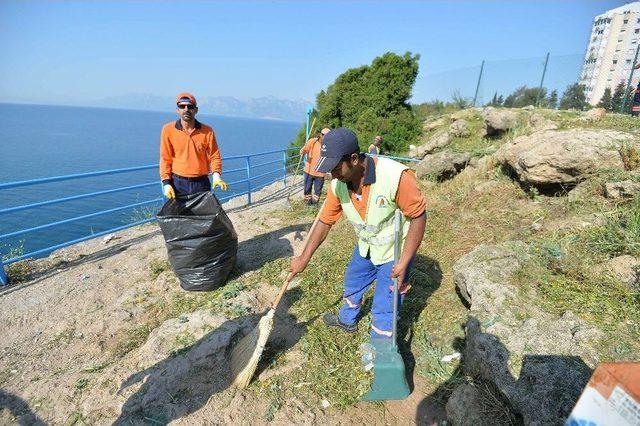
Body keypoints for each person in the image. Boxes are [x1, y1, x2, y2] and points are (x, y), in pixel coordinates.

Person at [289, 128, 426, 339]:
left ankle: (381, 349)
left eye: (335, 168)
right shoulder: (339, 184)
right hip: (367, 246)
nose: (331, 175)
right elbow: (325, 222)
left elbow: (418, 216)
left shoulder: (395, 176)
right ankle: (347, 320)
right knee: (353, 281)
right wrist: (304, 258)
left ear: (353, 159)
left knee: (386, 302)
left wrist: (405, 261)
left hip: (394, 252)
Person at [159, 93, 228, 198]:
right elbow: (165, 158)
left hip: (201, 183)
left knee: (204, 214)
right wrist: (166, 183)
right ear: (177, 110)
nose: (186, 109)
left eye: (190, 106)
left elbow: (214, 156)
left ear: (196, 110)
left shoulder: (207, 131)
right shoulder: (168, 130)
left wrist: (216, 176)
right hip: (177, 184)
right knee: (177, 215)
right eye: (182, 106)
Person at [299, 127, 331, 205]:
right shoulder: (312, 141)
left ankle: (315, 204)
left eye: (328, 136)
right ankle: (307, 202)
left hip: (320, 172)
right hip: (309, 170)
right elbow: (304, 150)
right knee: (307, 188)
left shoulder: (329, 146)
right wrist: (303, 151)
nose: (325, 137)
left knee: (318, 190)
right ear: (320, 135)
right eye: (324, 135)